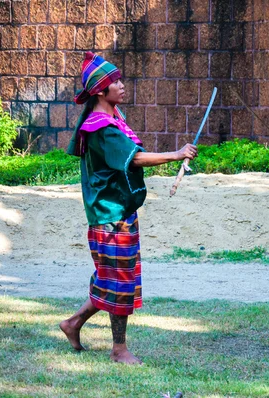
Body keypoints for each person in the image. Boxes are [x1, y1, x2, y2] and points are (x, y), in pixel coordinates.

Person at [60, 52, 197, 365]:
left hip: (117, 213)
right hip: (110, 218)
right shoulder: (100, 127)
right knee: (119, 283)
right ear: (100, 92)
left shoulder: (109, 118)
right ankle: (118, 350)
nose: (121, 86)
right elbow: (133, 158)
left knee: (113, 278)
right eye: (114, 83)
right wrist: (176, 155)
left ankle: (72, 324)